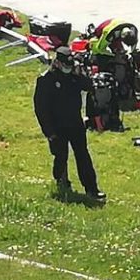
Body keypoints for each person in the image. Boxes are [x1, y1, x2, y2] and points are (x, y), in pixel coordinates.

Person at [33, 47, 106, 201]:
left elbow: (89, 87)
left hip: (75, 123)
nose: (67, 69)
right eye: (65, 66)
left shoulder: (74, 77)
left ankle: (92, 189)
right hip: (57, 126)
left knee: (83, 156)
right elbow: (41, 108)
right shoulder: (46, 80)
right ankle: (62, 183)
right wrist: (49, 131)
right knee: (61, 156)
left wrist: (81, 75)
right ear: (57, 63)